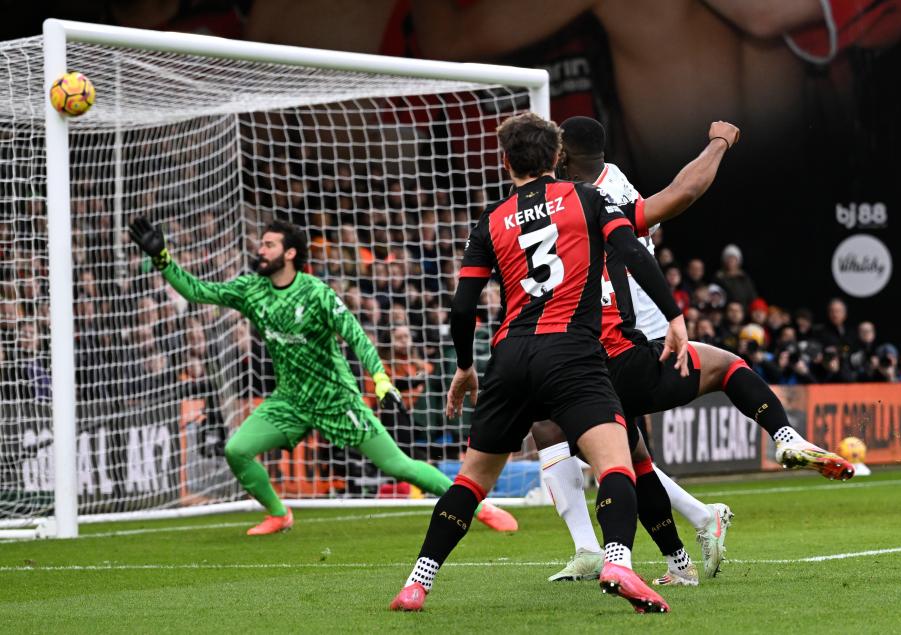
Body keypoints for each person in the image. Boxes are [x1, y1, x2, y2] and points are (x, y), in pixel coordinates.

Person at [531, 116, 855, 586]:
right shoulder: (612, 190)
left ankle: (598, 549)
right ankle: (761, 460)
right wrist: (720, 142)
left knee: (587, 444)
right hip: (639, 347)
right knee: (639, 451)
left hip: (619, 348)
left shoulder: (579, 202)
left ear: (563, 156)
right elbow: (683, 191)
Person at [390, 112, 688, 614]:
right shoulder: (589, 199)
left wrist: (465, 366)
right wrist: (674, 316)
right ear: (556, 157)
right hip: (571, 351)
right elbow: (633, 252)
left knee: (471, 480)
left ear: (506, 161)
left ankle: (417, 584)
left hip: (509, 358)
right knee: (617, 461)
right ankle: (616, 560)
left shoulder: (490, 219)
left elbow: (463, 306)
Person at [128, 217, 517, 535]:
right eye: (260, 245)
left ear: (290, 253)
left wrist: (380, 379)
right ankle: (279, 514)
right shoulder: (250, 289)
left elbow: (355, 336)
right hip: (290, 400)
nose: (260, 251)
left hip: (337, 400)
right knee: (236, 450)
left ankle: (479, 507)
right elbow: (198, 292)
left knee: (398, 465)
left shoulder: (316, 293)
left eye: (268, 245)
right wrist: (163, 258)